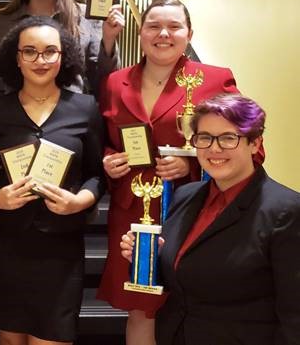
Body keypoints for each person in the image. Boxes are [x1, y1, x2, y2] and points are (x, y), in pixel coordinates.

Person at [96, 0, 264, 345]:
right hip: (134, 211)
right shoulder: (115, 82)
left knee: (196, 304)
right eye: (154, 26)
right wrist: (110, 161)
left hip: (195, 213)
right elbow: (108, 138)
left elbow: (252, 146)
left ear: (189, 33)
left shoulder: (214, 80)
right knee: (141, 308)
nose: (164, 34)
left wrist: (193, 162)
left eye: (174, 26)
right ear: (140, 34)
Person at [119, 93, 300, 344]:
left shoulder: (286, 211)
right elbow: (184, 278)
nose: (214, 148)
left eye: (228, 138)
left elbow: (295, 316)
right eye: (205, 138)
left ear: (255, 143)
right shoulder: (185, 195)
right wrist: (146, 257)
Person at [0, 15, 105, 345]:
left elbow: (96, 175)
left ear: (63, 57)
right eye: (29, 51)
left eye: (50, 51)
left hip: (60, 249)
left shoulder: (85, 107)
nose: (40, 60)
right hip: (7, 245)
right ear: (16, 58)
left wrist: (80, 201)